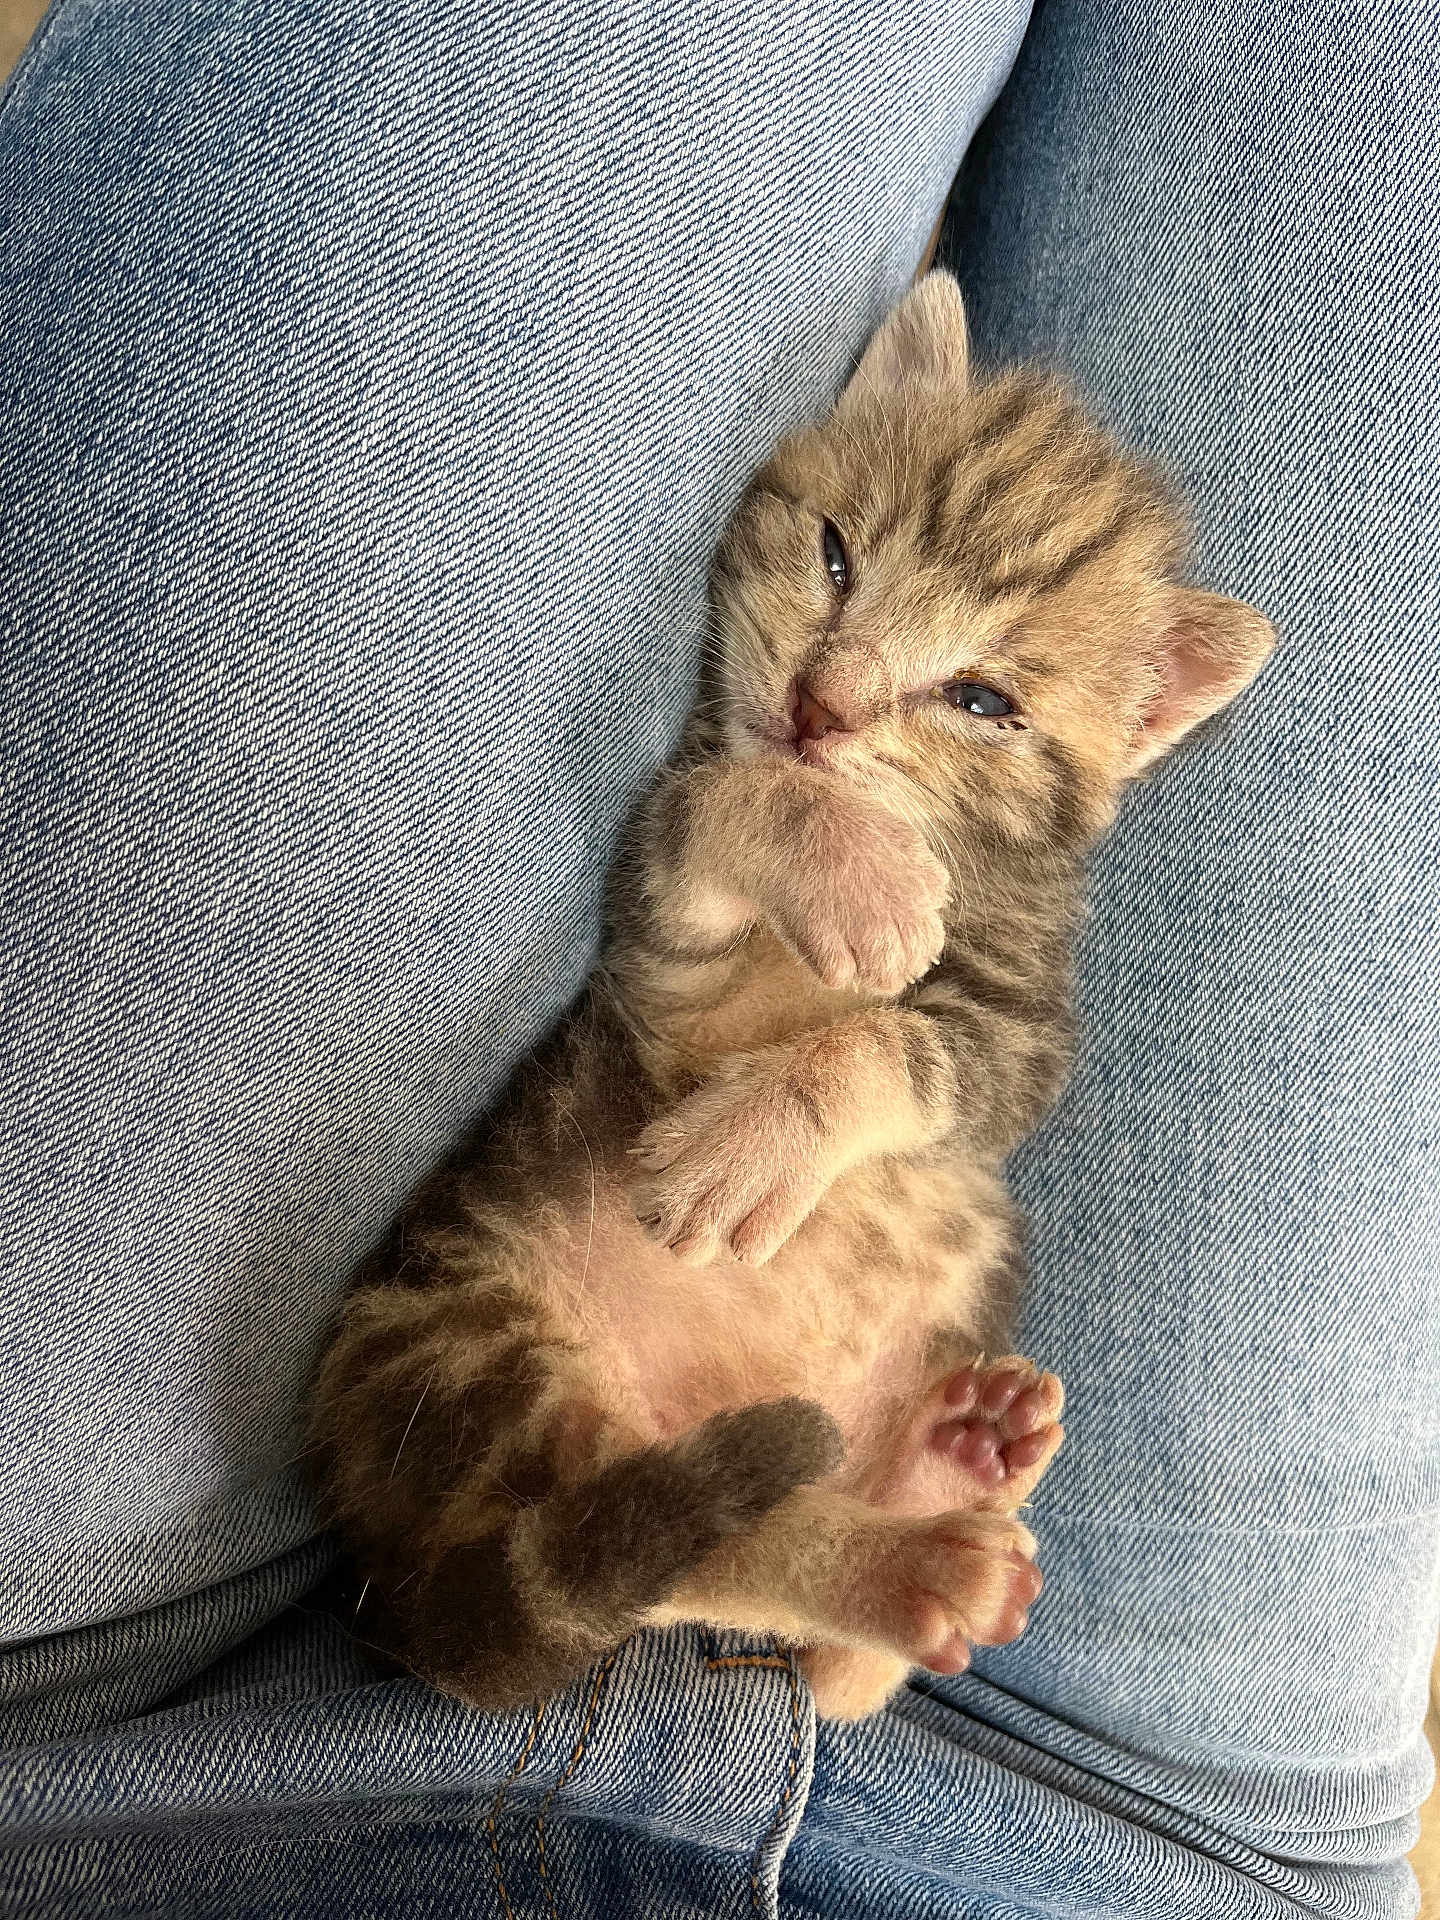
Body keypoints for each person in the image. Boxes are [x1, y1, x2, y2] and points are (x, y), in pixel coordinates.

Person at [1, 1, 1434, 1912]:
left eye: (984, 695)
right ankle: (861, 1559)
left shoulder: (933, 812)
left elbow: (946, 1037)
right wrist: (789, 868)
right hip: (1136, 1842)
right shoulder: (791, 765)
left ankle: (792, 1560)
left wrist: (817, 991)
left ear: (1138, 722)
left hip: (99, 1723)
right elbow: (777, 946)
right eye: (832, 566)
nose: (837, 694)